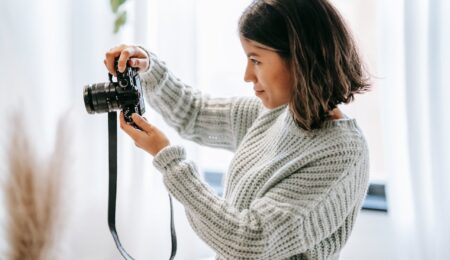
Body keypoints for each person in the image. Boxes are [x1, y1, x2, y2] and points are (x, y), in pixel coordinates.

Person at [104, 0, 370, 259]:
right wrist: (148, 67)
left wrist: (168, 160)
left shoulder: (342, 153)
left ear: (300, 58)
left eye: (256, 60)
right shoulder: (276, 114)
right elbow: (195, 113)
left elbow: (250, 241)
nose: (247, 75)